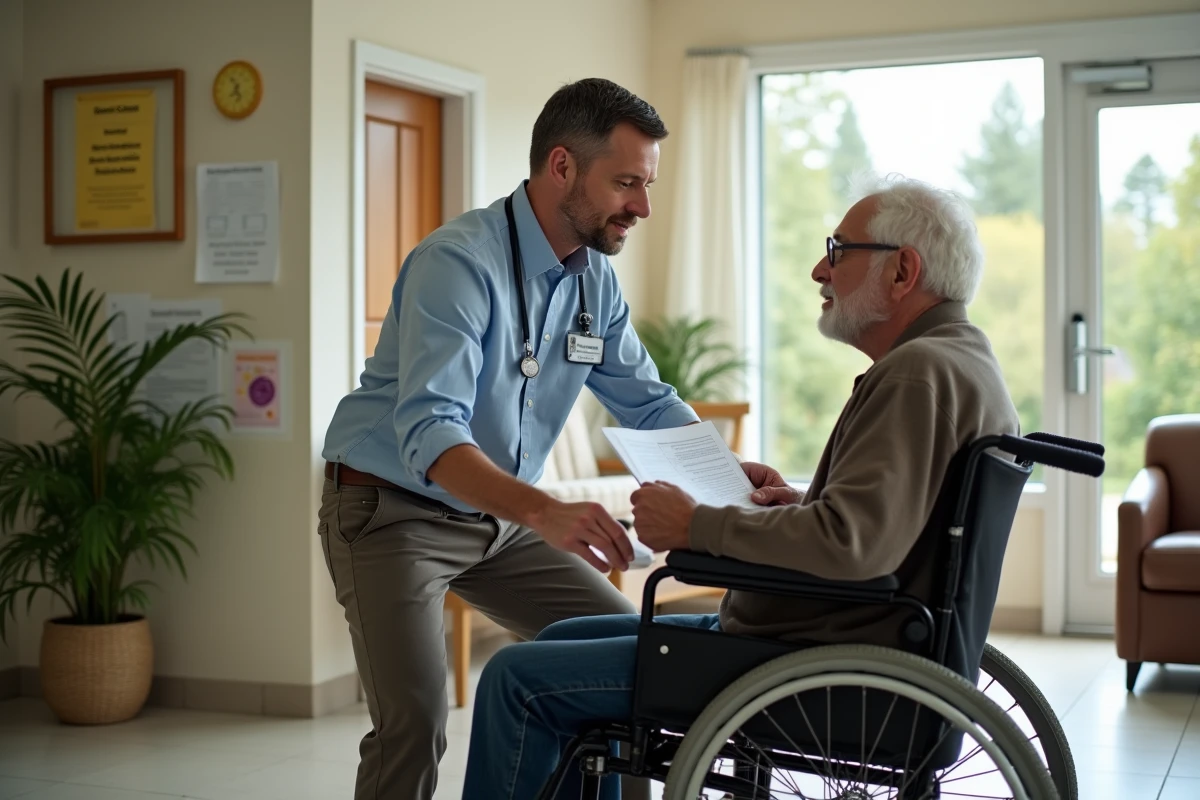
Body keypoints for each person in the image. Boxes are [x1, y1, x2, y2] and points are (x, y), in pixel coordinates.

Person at [460, 176, 1021, 799]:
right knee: (563, 635)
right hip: (839, 640)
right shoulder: (961, 360)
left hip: (809, 660)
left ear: (903, 270)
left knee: (516, 677)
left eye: (838, 251)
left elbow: (853, 545)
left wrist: (693, 525)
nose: (819, 270)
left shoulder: (917, 375)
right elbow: (884, 525)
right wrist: (803, 505)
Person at [318, 78, 700, 800]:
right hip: (389, 512)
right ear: (562, 167)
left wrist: (734, 479)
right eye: (626, 183)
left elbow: (648, 402)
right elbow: (432, 434)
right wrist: (546, 511)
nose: (642, 207)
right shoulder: (457, 264)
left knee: (634, 661)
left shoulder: (595, 282)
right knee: (415, 725)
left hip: (493, 518)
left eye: (646, 185)